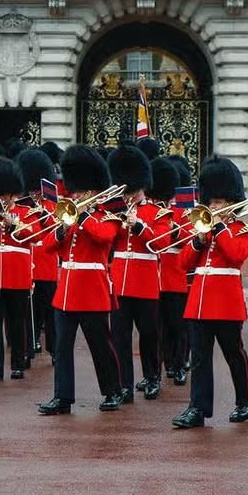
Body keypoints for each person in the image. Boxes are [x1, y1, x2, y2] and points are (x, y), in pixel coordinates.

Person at [172, 156, 248, 429]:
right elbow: (182, 263)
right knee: (198, 358)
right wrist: (199, 240)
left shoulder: (244, 229)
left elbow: (235, 255)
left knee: (234, 353)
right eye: (211, 202)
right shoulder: (202, 229)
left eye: (219, 202)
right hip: (199, 301)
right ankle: (198, 408)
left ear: (231, 202)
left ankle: (245, 400)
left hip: (227, 301)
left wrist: (219, 228)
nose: (213, 207)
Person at [37, 145, 123, 416]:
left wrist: (83, 216)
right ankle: (62, 397)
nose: (76, 196)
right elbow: (48, 246)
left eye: (82, 192)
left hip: (93, 288)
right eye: (75, 191)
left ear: (94, 191)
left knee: (100, 345)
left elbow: (104, 237)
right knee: (62, 348)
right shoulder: (68, 215)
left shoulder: (107, 215)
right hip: (67, 290)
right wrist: (63, 228)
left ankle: (112, 391)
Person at [108, 145, 172, 403]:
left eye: (133, 191)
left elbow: (161, 244)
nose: (129, 195)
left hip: (145, 283)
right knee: (120, 337)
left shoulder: (157, 213)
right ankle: (124, 383)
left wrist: (140, 226)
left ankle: (153, 377)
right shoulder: (114, 211)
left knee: (149, 335)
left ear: (143, 187)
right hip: (120, 282)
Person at [0, 157, 34, 382]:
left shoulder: (26, 212)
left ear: (13, 193)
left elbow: (33, 234)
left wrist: (13, 224)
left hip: (17, 273)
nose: (0, 198)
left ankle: (18, 364)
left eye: (4, 194)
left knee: (16, 322)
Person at [17, 148, 58, 361]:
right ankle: (29, 347)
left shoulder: (52, 203)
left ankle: (54, 349)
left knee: (51, 310)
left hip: (48, 261)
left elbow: (56, 227)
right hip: (30, 261)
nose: (35, 193)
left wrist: (44, 215)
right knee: (29, 311)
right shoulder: (22, 205)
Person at [157, 157, 192, 386]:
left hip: (177, 270)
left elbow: (189, 235)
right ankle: (167, 364)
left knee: (178, 326)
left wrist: (173, 230)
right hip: (157, 272)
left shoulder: (185, 207)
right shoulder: (157, 206)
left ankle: (179, 365)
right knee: (160, 326)